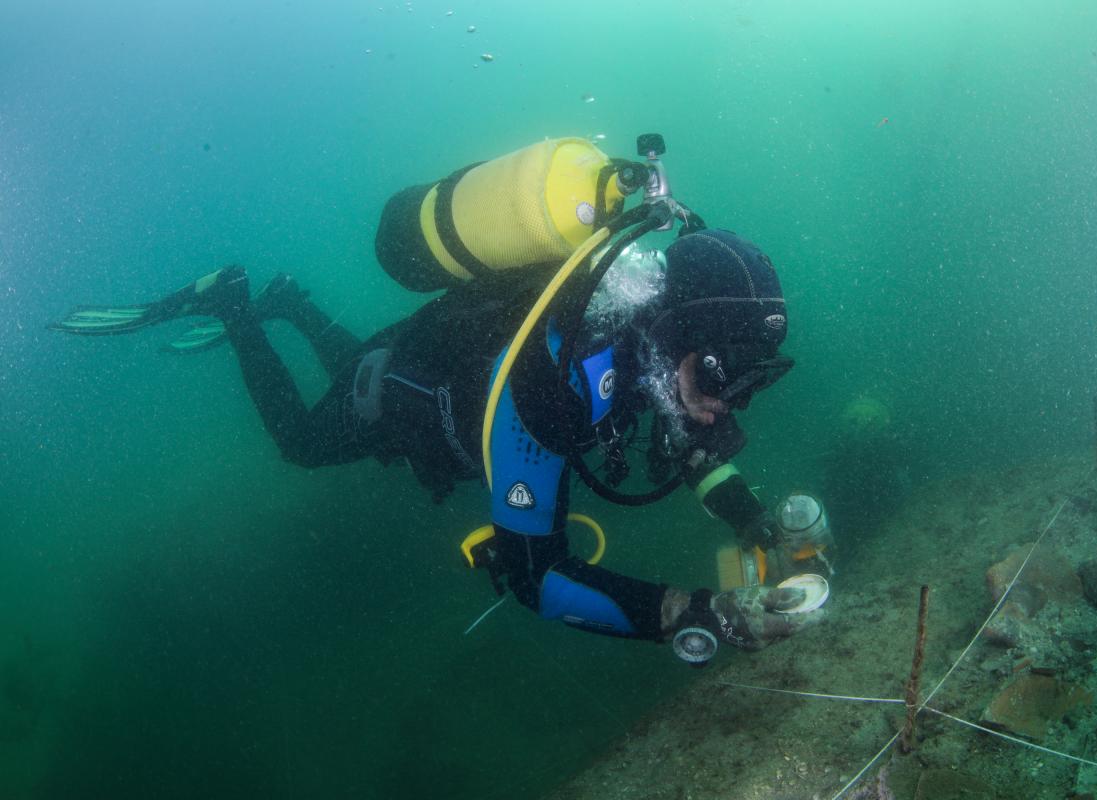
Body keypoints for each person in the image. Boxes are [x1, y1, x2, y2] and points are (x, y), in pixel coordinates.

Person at [51, 138, 814, 662]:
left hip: (425, 350)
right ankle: (237, 308)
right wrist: (698, 614)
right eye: (718, 375)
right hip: (398, 391)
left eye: (743, 381)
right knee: (303, 439)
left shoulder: (647, 339)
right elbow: (534, 578)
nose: (723, 403)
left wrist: (755, 519)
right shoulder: (559, 384)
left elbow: (695, 448)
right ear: (676, 331)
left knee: (363, 358)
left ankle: (291, 303)